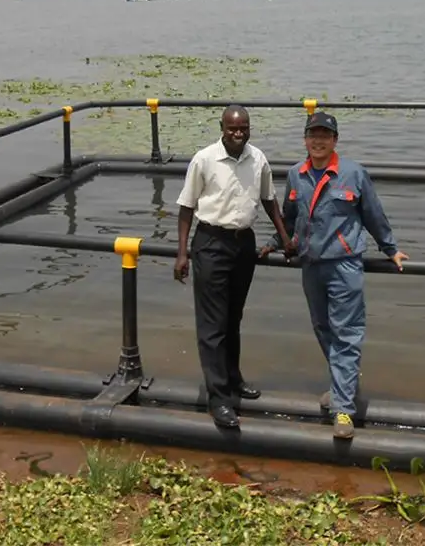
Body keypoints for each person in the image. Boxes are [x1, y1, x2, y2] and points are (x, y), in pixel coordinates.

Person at [260, 111, 408, 439]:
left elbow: (373, 214)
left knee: (347, 333)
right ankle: (344, 387)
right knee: (323, 329)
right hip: (310, 265)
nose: (318, 140)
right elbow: (290, 217)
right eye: (313, 134)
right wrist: (274, 242)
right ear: (305, 139)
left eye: (325, 135)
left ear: (335, 140)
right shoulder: (296, 175)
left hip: (344, 266)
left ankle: (342, 410)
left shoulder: (353, 174)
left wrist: (390, 248)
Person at [174, 104, 293, 429]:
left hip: (243, 244)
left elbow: (270, 200)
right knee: (212, 325)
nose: (238, 134)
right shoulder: (205, 159)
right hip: (211, 242)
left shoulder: (258, 159)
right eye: (232, 128)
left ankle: (234, 378)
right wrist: (182, 253)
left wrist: (285, 238)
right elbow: (186, 208)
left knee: (233, 318)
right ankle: (219, 400)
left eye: (243, 128)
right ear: (222, 128)